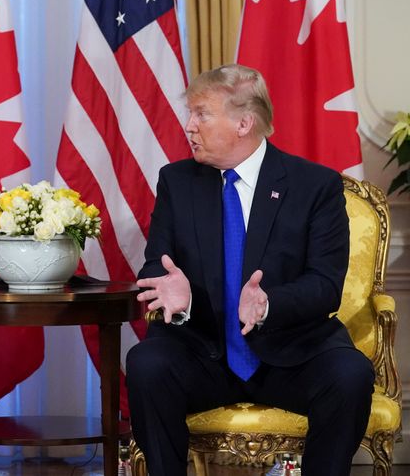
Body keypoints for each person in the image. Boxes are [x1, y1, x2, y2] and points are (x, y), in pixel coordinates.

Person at [125, 64, 374, 475]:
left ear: (244, 122)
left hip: (291, 354)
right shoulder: (177, 181)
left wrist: (270, 304)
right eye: (190, 114)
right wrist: (177, 295)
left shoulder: (315, 186)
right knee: (147, 363)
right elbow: (159, 262)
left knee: (350, 374)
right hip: (202, 351)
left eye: (201, 114)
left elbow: (326, 285)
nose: (189, 126)